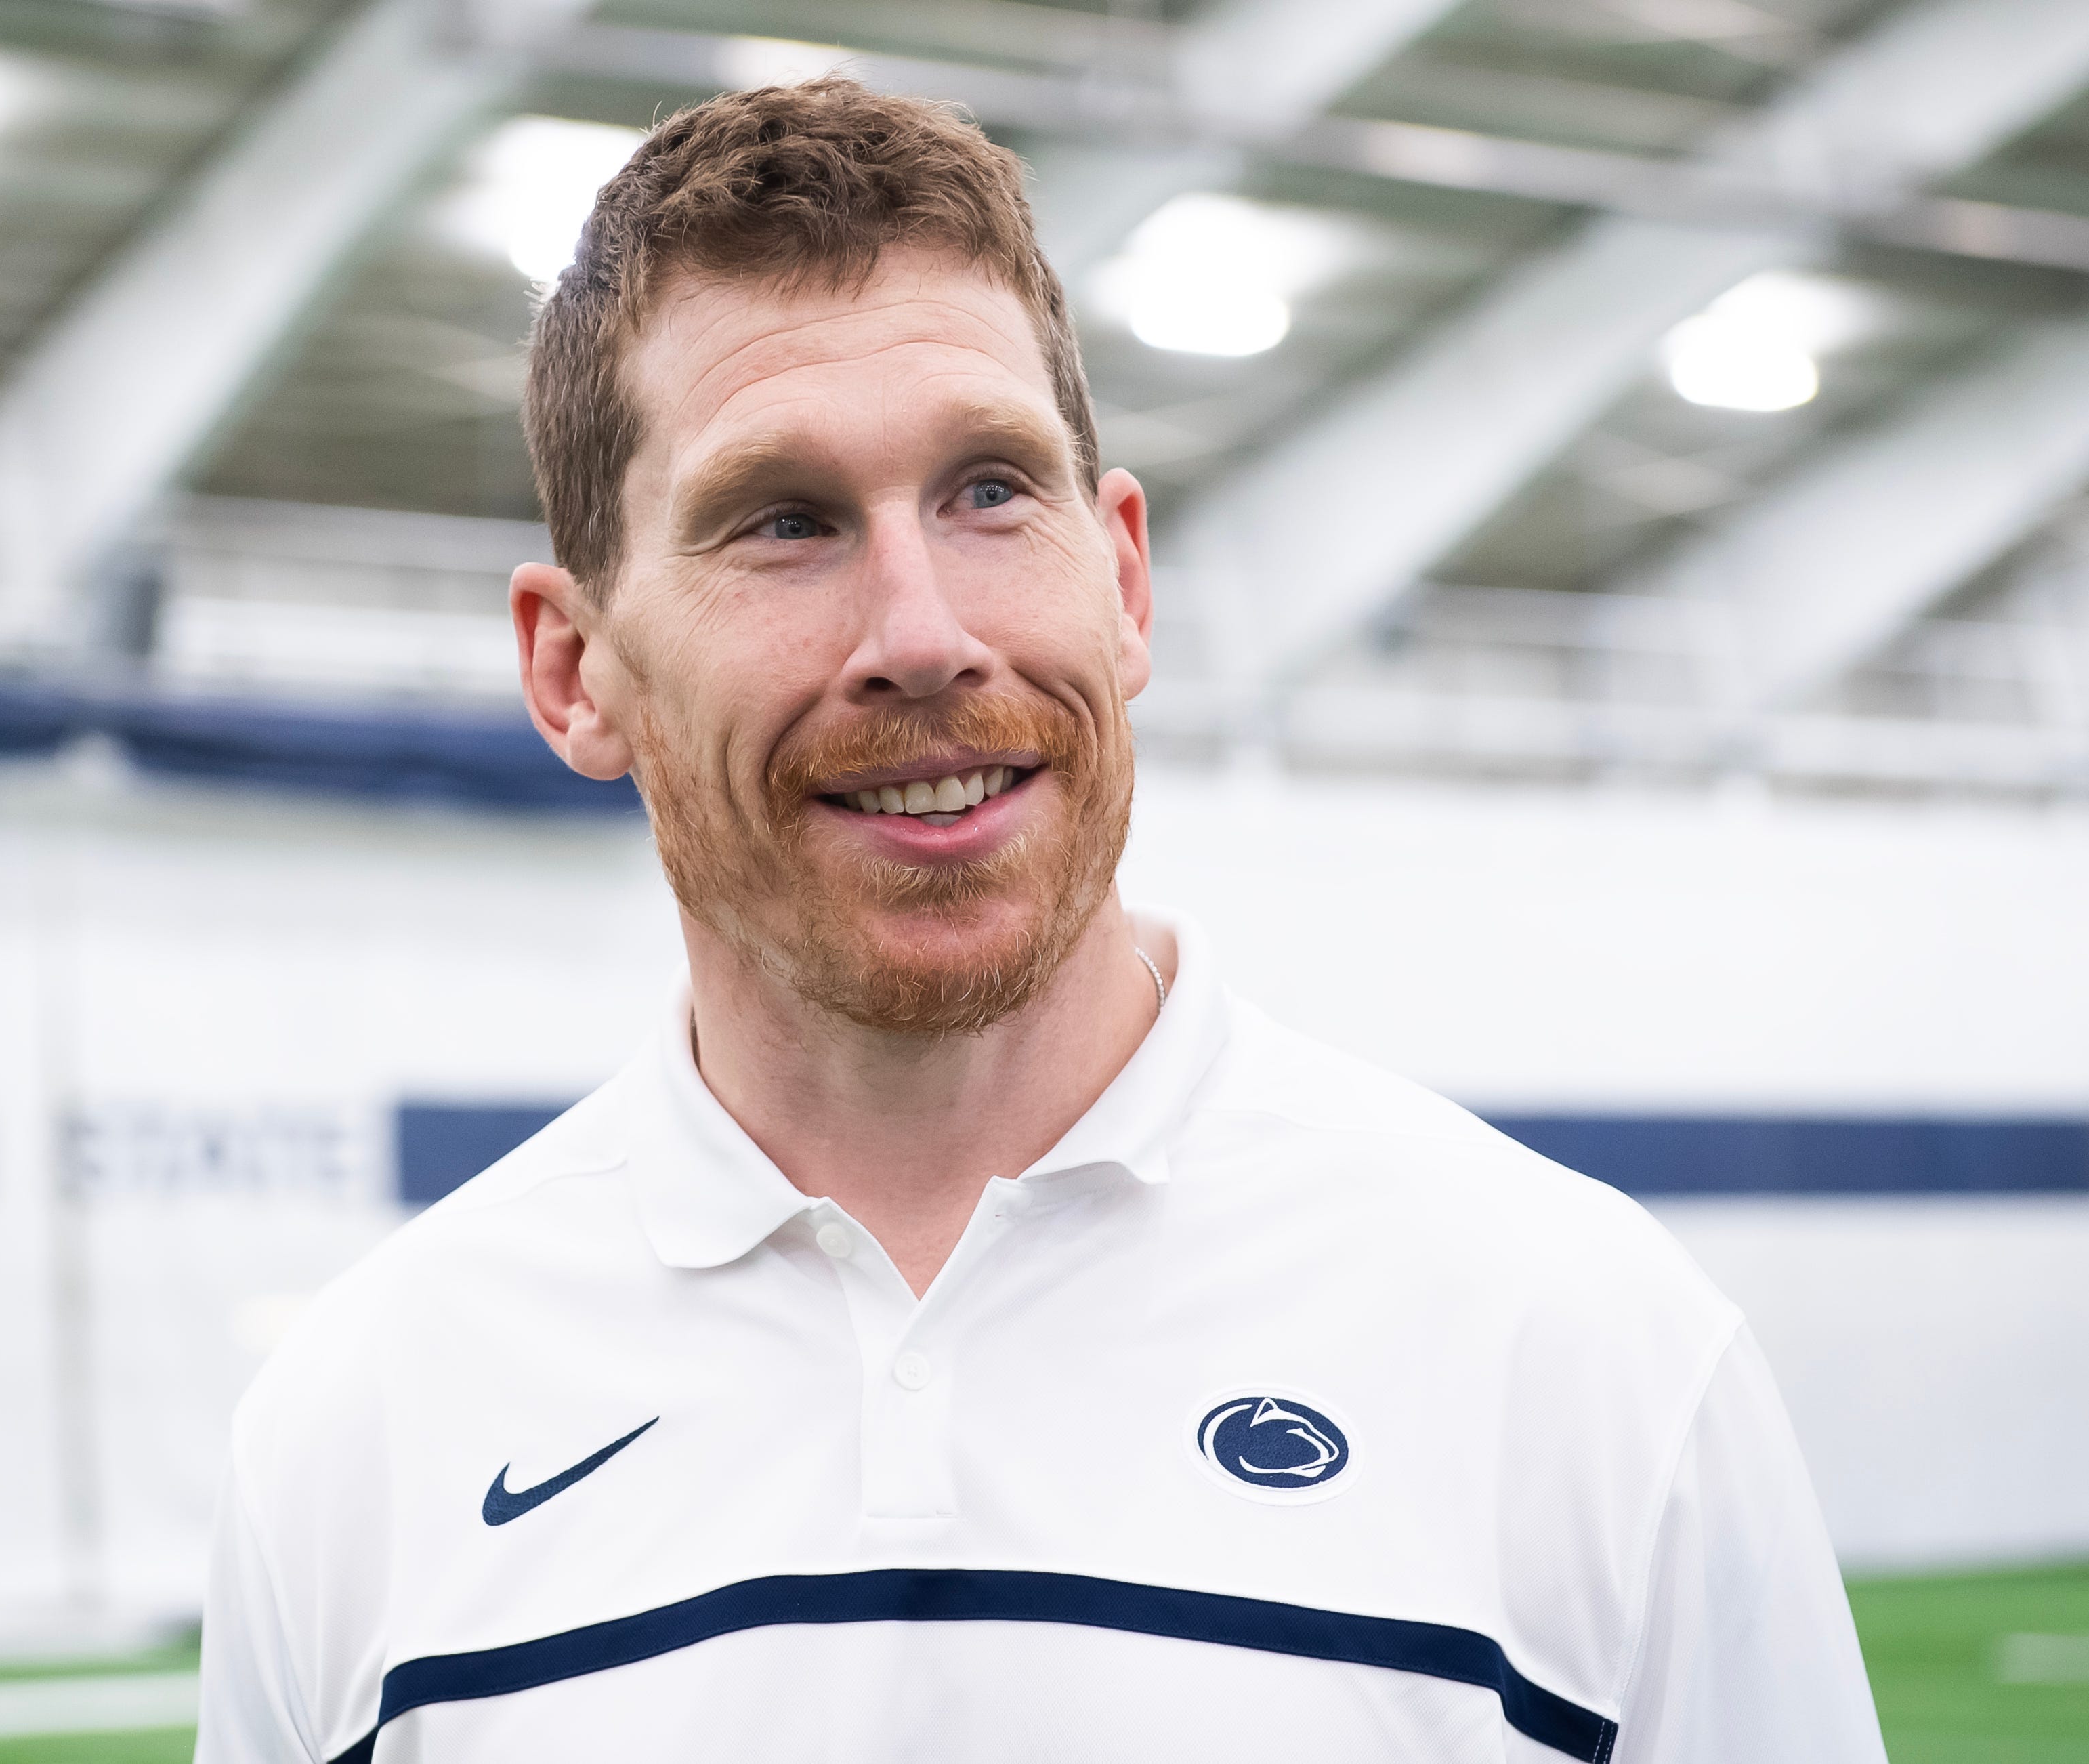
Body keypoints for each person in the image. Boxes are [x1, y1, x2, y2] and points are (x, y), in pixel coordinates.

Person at [194, 78, 1885, 1763]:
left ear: (1126, 578)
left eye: (992, 489)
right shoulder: (361, 1436)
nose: (921, 633)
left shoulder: (1589, 1354)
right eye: (782, 522)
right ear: (577, 671)